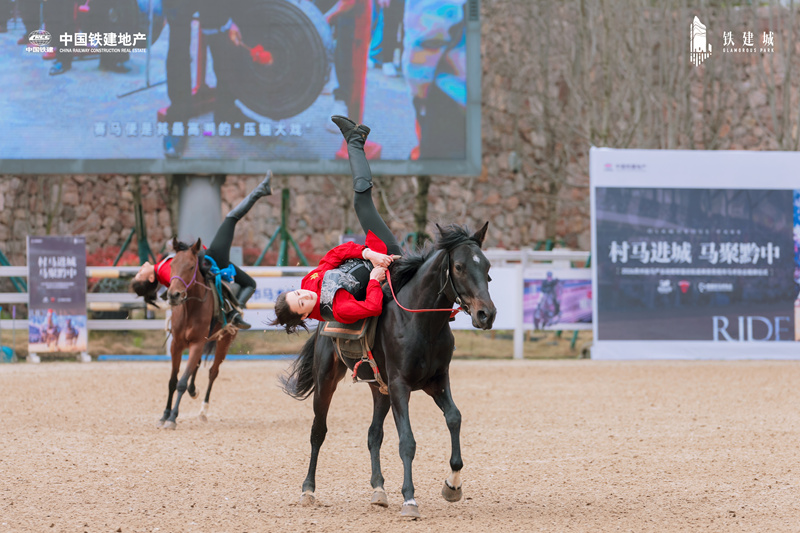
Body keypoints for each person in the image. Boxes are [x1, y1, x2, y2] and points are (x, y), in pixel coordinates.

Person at [270, 115, 402, 333]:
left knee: (360, 202)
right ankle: (355, 140)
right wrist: (374, 278)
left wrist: (368, 254)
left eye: (296, 293)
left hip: (374, 252)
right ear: (304, 315)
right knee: (361, 201)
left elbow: (335, 255)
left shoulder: (308, 282)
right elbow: (372, 307)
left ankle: (355, 139)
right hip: (388, 262)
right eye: (302, 302)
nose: (304, 294)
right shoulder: (336, 310)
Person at [131, 174, 272, 329]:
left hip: (211, 261)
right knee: (231, 218)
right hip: (212, 258)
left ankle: (234, 313)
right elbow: (181, 278)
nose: (139, 269)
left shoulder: (162, 266)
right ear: (151, 278)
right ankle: (261, 190)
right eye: (139, 274)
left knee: (250, 284)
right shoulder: (164, 271)